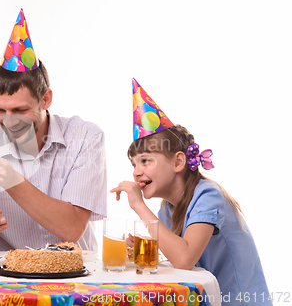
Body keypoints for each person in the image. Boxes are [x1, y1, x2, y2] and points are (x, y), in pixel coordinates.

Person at [110, 78, 270, 305]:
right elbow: (176, 257)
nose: (136, 172)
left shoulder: (208, 196)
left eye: (145, 161)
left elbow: (184, 258)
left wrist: (139, 207)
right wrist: (142, 248)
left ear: (178, 162)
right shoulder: (168, 208)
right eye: (134, 164)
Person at [0, 9, 107, 251]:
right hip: (9, 279)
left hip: (76, 279)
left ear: (46, 99)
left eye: (20, 110)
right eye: (0, 110)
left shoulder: (85, 137)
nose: (8, 121)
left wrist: (11, 180)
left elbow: (71, 229)